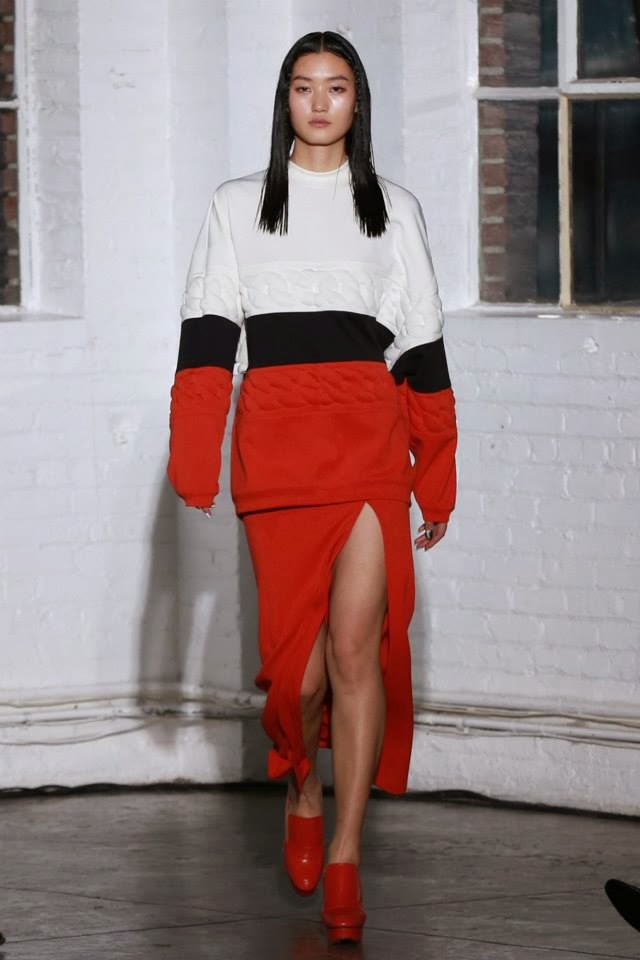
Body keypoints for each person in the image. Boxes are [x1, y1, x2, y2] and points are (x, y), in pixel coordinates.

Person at [166, 30, 457, 945]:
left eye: (337, 87)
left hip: (367, 444)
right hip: (280, 449)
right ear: (284, 100)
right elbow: (208, 335)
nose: (320, 103)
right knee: (295, 677)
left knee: (355, 651)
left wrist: (435, 473)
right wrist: (194, 455)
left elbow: (422, 344)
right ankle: (300, 778)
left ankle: (345, 851)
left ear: (358, 100)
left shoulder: (393, 209)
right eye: (304, 86)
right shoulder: (237, 205)